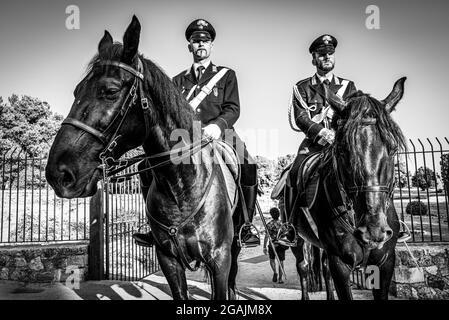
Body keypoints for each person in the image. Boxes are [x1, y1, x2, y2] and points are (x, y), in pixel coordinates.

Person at [133, 19, 259, 247]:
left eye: (205, 40)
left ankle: (245, 226)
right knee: (145, 166)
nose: (201, 44)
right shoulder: (177, 81)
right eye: (196, 41)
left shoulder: (226, 75)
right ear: (189, 46)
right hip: (184, 137)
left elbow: (233, 108)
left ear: (211, 45)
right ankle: (153, 225)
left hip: (221, 133)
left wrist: (217, 125)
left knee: (248, 164)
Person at [278, 34, 358, 245]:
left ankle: (380, 219)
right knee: (294, 173)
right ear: (314, 58)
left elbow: (354, 116)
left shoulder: (348, 87)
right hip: (314, 145)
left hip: (342, 145)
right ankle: (289, 226)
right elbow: (301, 119)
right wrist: (323, 133)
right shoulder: (302, 87)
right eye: (321, 54)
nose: (326, 57)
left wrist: (339, 136)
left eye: (330, 53)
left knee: (366, 169)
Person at [263, 207, 287, 284]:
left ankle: (275, 272)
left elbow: (267, 236)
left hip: (271, 245)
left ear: (271, 215)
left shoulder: (269, 224)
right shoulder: (282, 224)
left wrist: (264, 246)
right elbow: (285, 234)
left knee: (272, 260)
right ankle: (280, 279)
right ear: (279, 214)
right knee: (281, 262)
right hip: (280, 244)